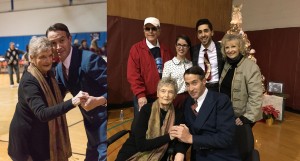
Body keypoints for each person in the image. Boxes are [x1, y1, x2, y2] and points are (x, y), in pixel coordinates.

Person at [8, 36, 87, 161]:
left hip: (41, 136)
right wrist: (73, 101)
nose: (48, 60)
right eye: (42, 57)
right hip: (26, 141)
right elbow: (42, 113)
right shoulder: (29, 81)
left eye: (50, 55)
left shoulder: (48, 74)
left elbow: (56, 94)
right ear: (32, 58)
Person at [46, 23, 108, 161]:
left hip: (106, 123)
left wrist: (100, 100)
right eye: (53, 43)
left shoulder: (89, 60)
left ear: (69, 38)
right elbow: (57, 98)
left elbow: (114, 88)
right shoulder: (59, 70)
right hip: (90, 125)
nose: (58, 47)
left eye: (61, 40)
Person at [170, 66, 240, 161]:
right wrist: (180, 153)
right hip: (198, 156)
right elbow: (184, 131)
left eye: (194, 83)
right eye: (187, 84)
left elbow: (225, 138)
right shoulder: (187, 102)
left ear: (204, 81)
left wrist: (192, 138)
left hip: (221, 156)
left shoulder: (221, 100)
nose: (190, 89)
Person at [116, 77, 186, 161]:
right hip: (133, 152)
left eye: (170, 92)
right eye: (163, 91)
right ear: (157, 93)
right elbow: (141, 145)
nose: (166, 95)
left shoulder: (178, 115)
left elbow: (180, 139)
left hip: (159, 154)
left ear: (174, 96)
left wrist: (180, 153)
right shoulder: (146, 110)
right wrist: (168, 137)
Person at [127, 17, 173, 117]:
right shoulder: (136, 49)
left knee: (160, 125)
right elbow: (133, 75)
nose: (150, 31)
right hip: (144, 97)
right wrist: (140, 95)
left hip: (162, 96)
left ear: (159, 31)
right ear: (144, 30)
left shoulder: (166, 49)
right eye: (147, 29)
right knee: (141, 127)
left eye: (154, 28)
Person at [219, 34, 263, 127]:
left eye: (233, 46)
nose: (230, 50)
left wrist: (248, 117)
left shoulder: (251, 67)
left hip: (241, 118)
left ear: (240, 47)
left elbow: (256, 95)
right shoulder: (226, 65)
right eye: (227, 47)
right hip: (225, 115)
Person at [191, 19, 224, 92]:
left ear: (212, 32)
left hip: (218, 88)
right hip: (200, 88)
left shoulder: (221, 48)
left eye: (206, 31)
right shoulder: (193, 50)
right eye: (200, 32)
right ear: (197, 35)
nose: (203, 35)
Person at [162, 35, 192, 109]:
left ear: (188, 48)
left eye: (184, 45)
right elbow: (164, 85)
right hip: (175, 99)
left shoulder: (191, 64)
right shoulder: (168, 64)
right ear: (175, 46)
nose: (181, 48)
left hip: (190, 98)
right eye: (179, 45)